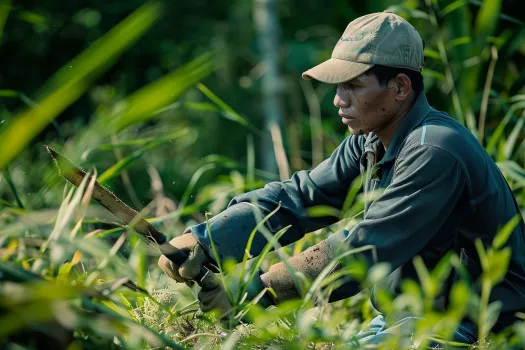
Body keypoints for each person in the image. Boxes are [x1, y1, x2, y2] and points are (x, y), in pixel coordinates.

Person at [158, 11, 525, 347]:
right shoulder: (369, 141)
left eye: (353, 85)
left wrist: (258, 292)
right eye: (338, 87)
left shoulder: (436, 150)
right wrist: (206, 239)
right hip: (402, 317)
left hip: (474, 325)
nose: (338, 100)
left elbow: (365, 249)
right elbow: (300, 198)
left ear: (399, 87)